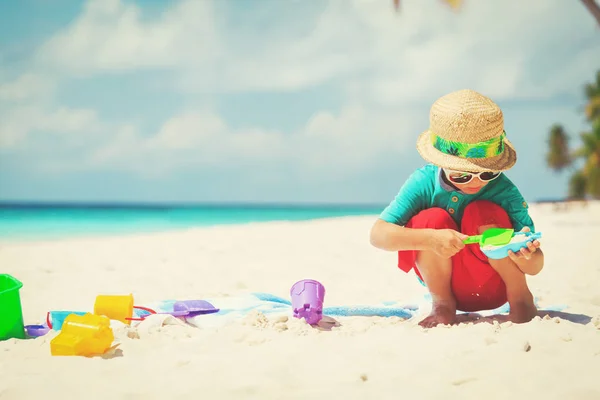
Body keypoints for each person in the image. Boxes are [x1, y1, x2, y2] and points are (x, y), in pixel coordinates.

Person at [369, 89, 544, 328]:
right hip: (445, 285)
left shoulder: (504, 192)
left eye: (487, 172)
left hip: (496, 287)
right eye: (462, 175)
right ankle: (442, 306)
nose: (476, 182)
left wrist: (527, 255)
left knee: (482, 212)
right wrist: (429, 238)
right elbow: (378, 235)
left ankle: (521, 300)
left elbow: (535, 267)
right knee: (430, 220)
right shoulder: (424, 183)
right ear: (441, 162)